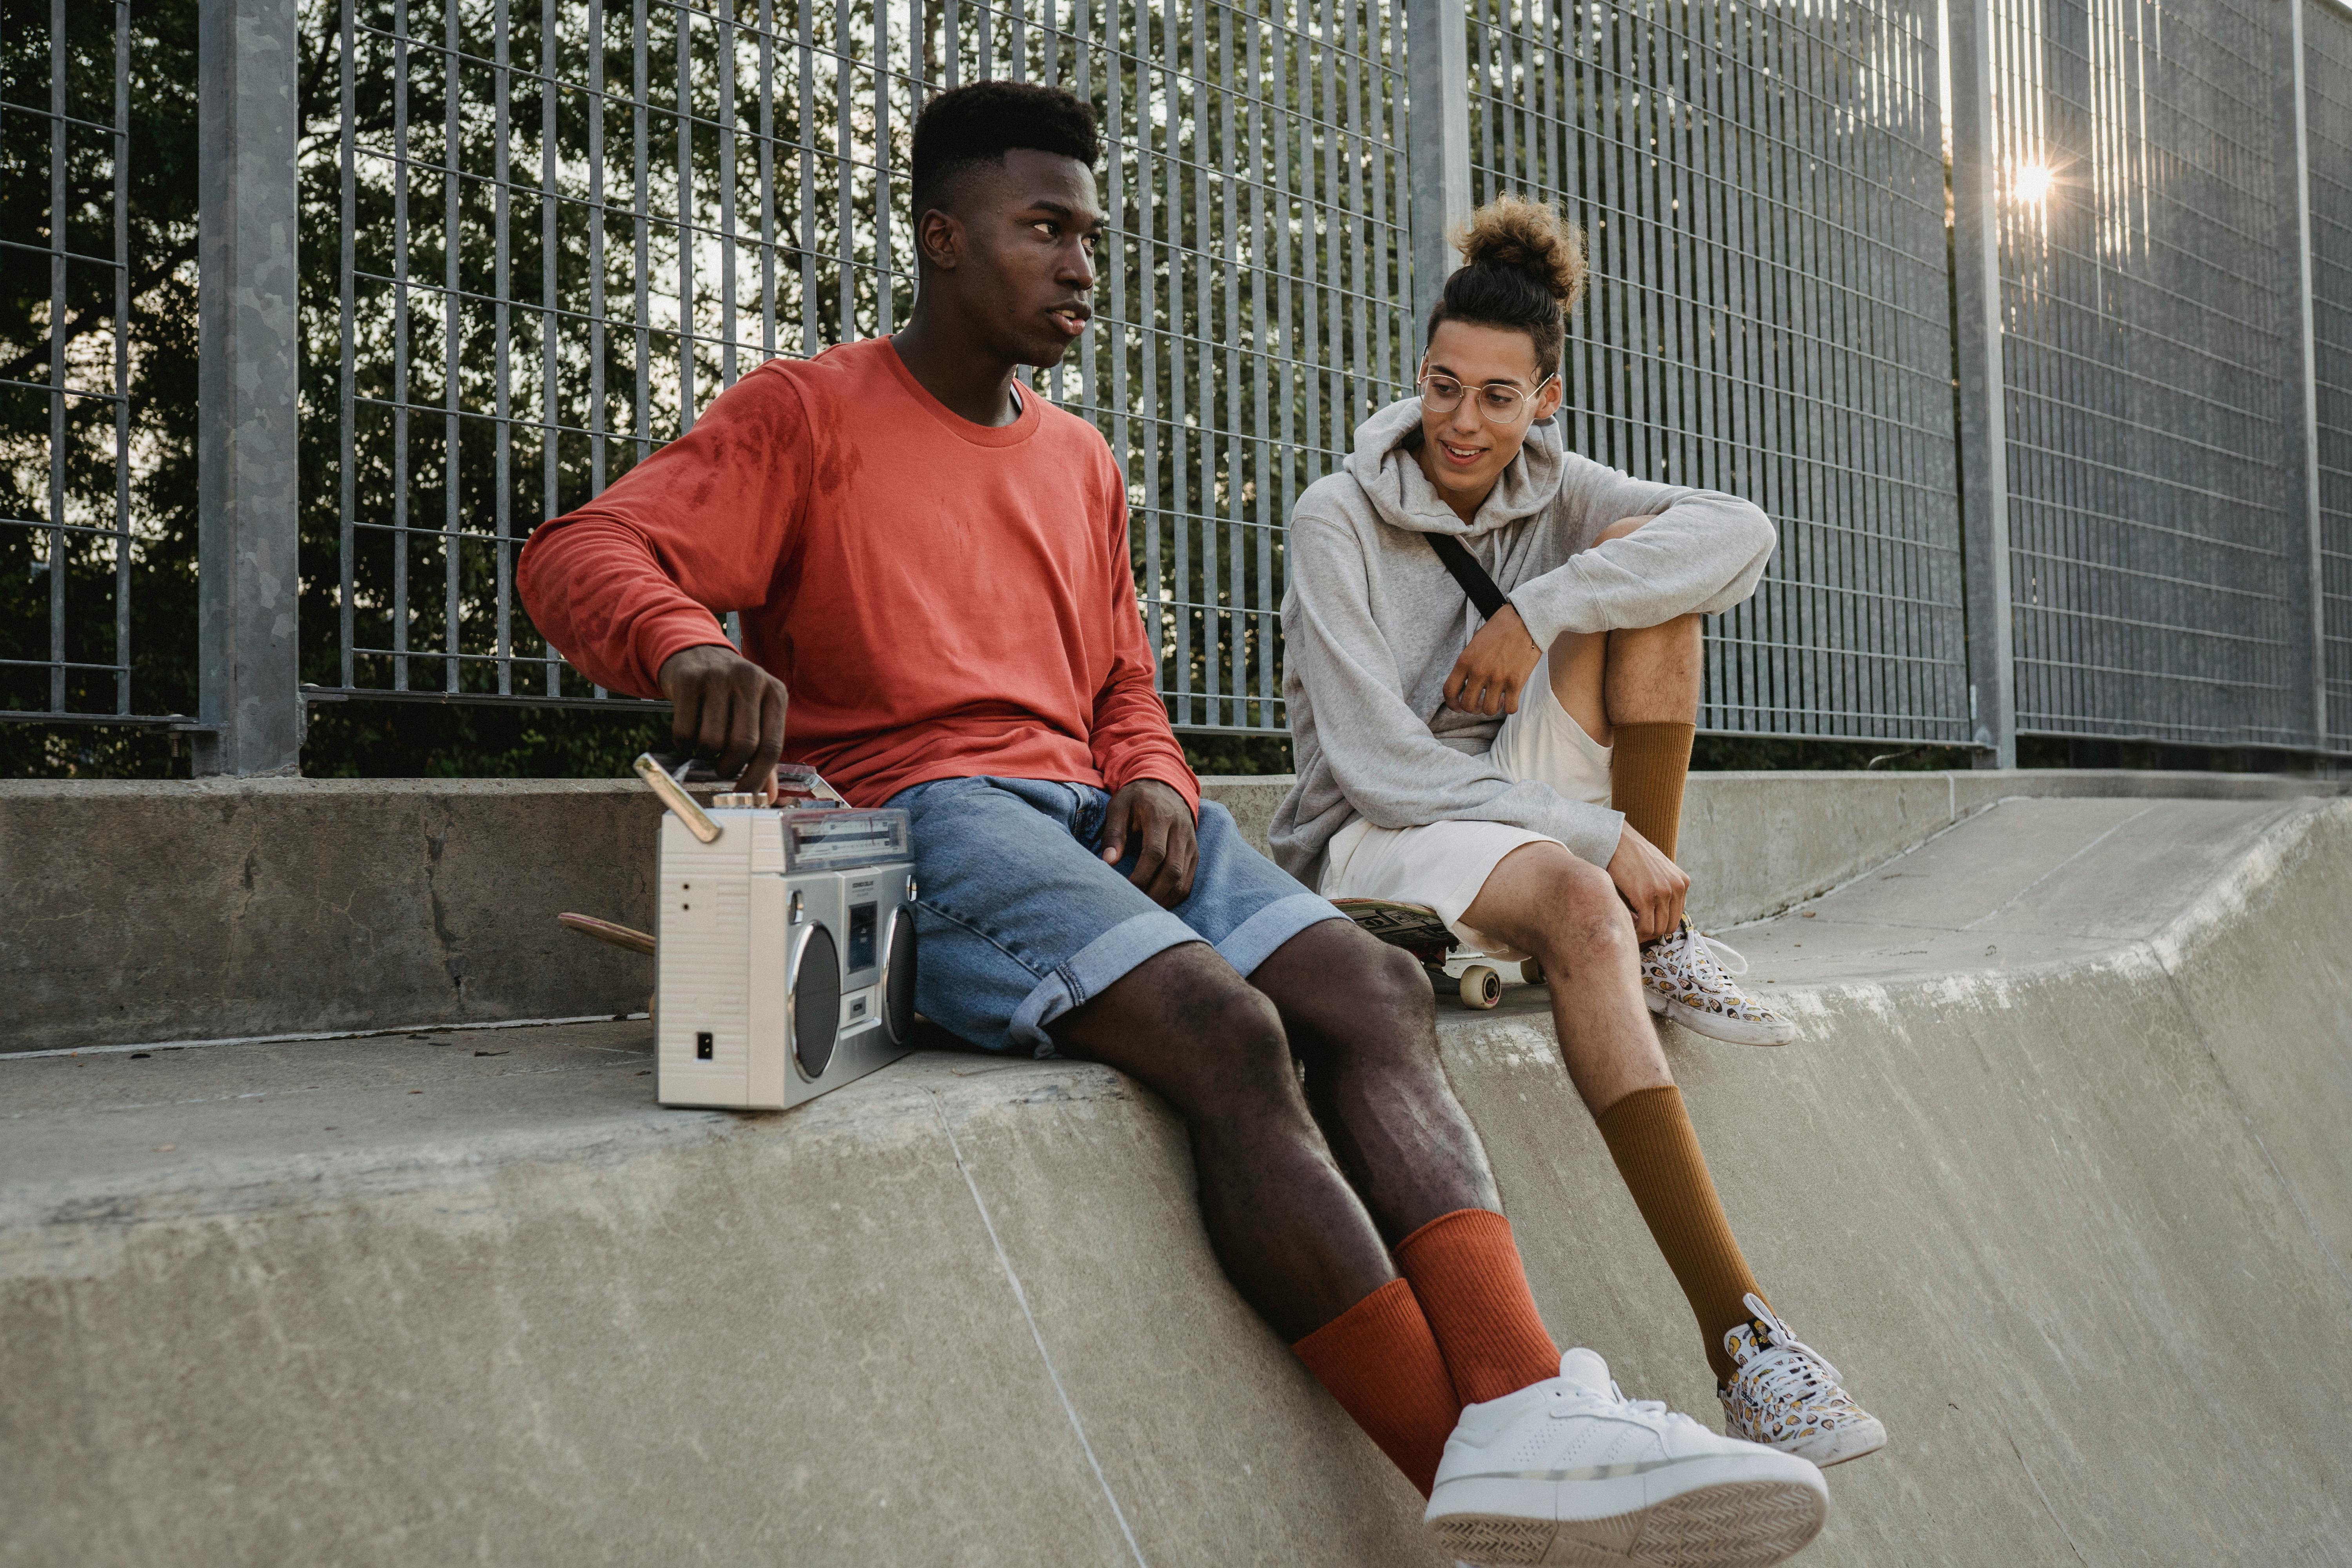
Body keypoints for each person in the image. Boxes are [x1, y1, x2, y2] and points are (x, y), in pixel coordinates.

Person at [519, 83, 1830, 1566]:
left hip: (1100, 810)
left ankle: (1526, 1413)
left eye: (1093, 231)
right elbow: (588, 547)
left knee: (1372, 991)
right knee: (1229, 1032)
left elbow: (1121, 685)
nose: (1084, 263)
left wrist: (1147, 767)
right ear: (944, 240)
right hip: (928, 819)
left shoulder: (1079, 463)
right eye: (1045, 230)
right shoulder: (806, 414)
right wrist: (686, 647)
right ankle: (1470, 1465)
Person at [1270, 194, 1887, 1481]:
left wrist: (1543, 604)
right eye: (1444, 387)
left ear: (1546, 401)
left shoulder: (1561, 490)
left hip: (1508, 781)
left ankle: (1661, 943)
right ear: (1419, 375)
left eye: (1499, 398)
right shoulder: (1338, 517)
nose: (1462, 423)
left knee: (1659, 584)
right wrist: (1595, 834)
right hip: (1382, 829)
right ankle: (1743, 1339)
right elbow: (1381, 768)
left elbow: (1742, 533)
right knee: (1581, 899)